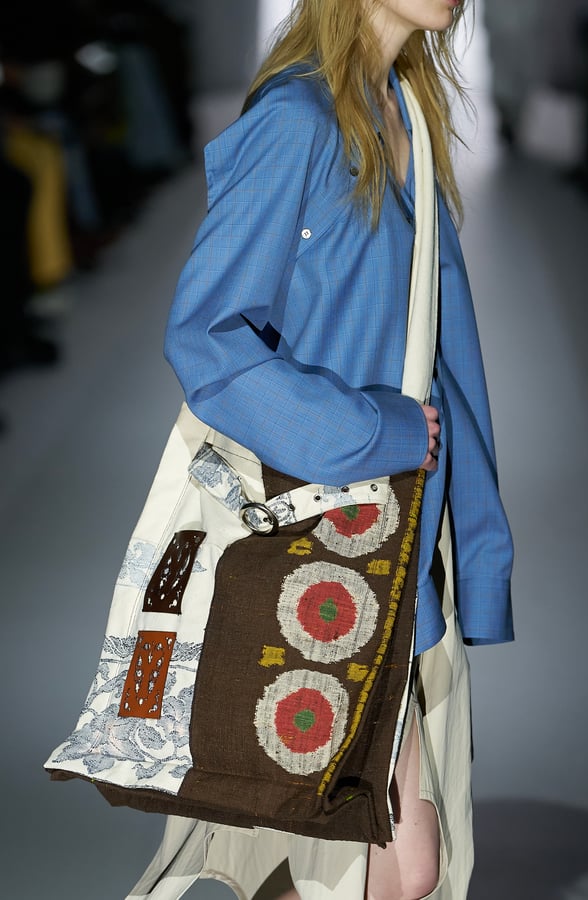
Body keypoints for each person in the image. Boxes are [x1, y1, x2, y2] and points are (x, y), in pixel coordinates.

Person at [45, 1, 513, 898]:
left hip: (400, 542)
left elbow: (451, 359)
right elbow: (208, 339)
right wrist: (374, 430)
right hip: (323, 539)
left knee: (383, 864)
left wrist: (480, 554)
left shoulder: (407, 112)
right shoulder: (298, 119)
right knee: (390, 867)